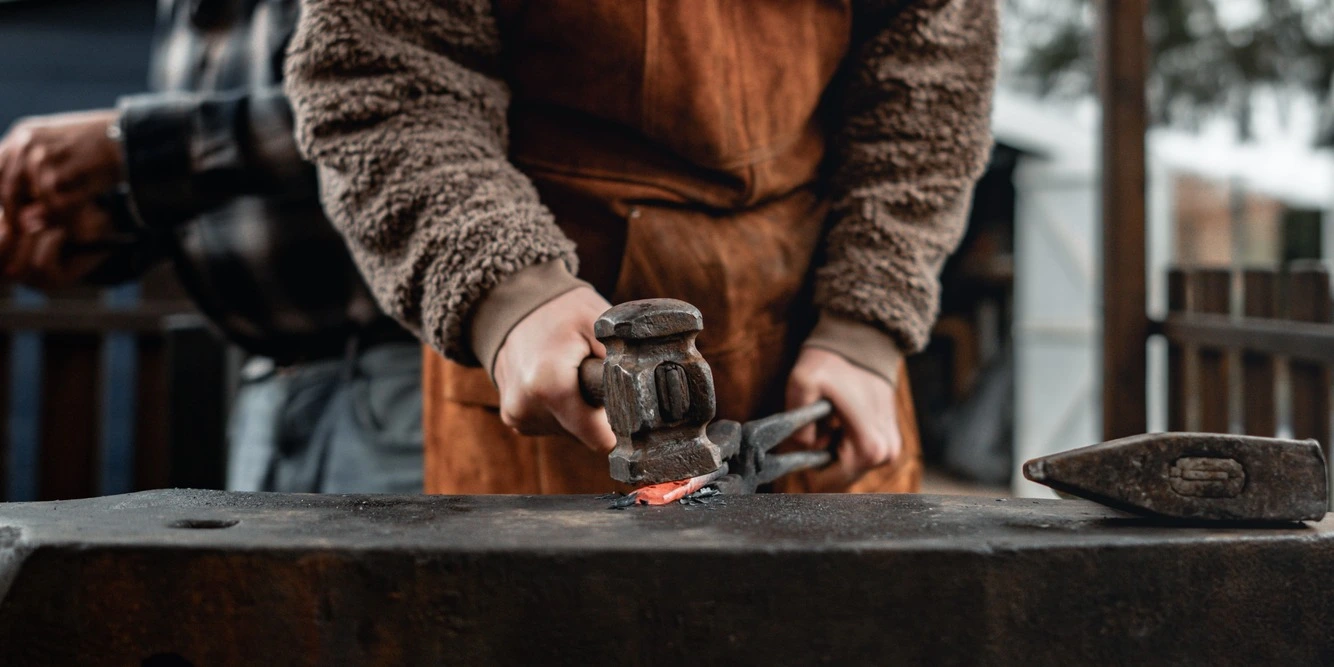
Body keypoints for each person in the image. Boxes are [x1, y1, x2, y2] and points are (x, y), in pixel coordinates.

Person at [285, 0, 999, 494]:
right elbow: (384, 73)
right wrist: (510, 290)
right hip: (550, 395)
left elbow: (929, 92)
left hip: (819, 388)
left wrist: (862, 327)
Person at [0, 0, 422, 494]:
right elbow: (221, 185)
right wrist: (104, 234)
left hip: (394, 378)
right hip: (269, 386)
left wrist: (128, 144)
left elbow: (385, 115)